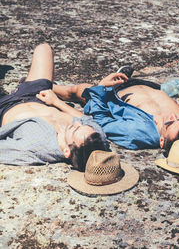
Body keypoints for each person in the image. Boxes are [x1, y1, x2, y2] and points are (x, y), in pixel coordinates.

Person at [53, 59, 179, 154]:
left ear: (162, 141)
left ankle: (44, 86)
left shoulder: (137, 133)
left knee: (78, 90)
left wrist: (101, 88)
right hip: (153, 87)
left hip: (118, 92)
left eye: (169, 123)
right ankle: (122, 75)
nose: (172, 116)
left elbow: (102, 121)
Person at [0, 43, 108, 171]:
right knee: (44, 49)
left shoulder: (35, 148)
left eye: (75, 129)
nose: (78, 123)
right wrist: (56, 102)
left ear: (67, 151)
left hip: (3, 108)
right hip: (38, 96)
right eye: (83, 126)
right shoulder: (96, 139)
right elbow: (87, 120)